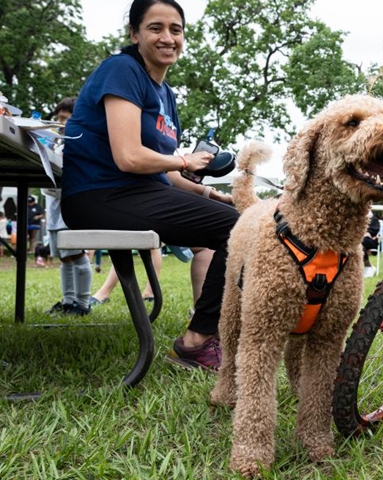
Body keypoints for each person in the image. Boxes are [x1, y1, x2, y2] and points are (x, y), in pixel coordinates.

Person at [60, 0, 239, 370]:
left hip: (141, 193)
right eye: (155, 28)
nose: (167, 37)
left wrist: (210, 193)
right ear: (134, 33)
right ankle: (197, 341)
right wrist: (185, 160)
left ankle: (215, 330)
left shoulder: (166, 95)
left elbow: (166, 173)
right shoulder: (122, 69)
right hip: (99, 195)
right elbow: (129, 157)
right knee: (237, 229)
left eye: (176, 29)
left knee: (243, 218)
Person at [42, 97, 94, 315]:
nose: (60, 123)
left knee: (77, 255)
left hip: (70, 208)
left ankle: (83, 304)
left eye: (65, 119)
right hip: (55, 209)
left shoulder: (81, 141)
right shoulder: (60, 141)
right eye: (58, 119)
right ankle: (68, 301)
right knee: (64, 257)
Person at [362, 211, 380, 278]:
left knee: (361, 243)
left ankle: (368, 266)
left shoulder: (373, 219)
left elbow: (375, 230)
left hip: (371, 240)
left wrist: (367, 233)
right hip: (361, 239)